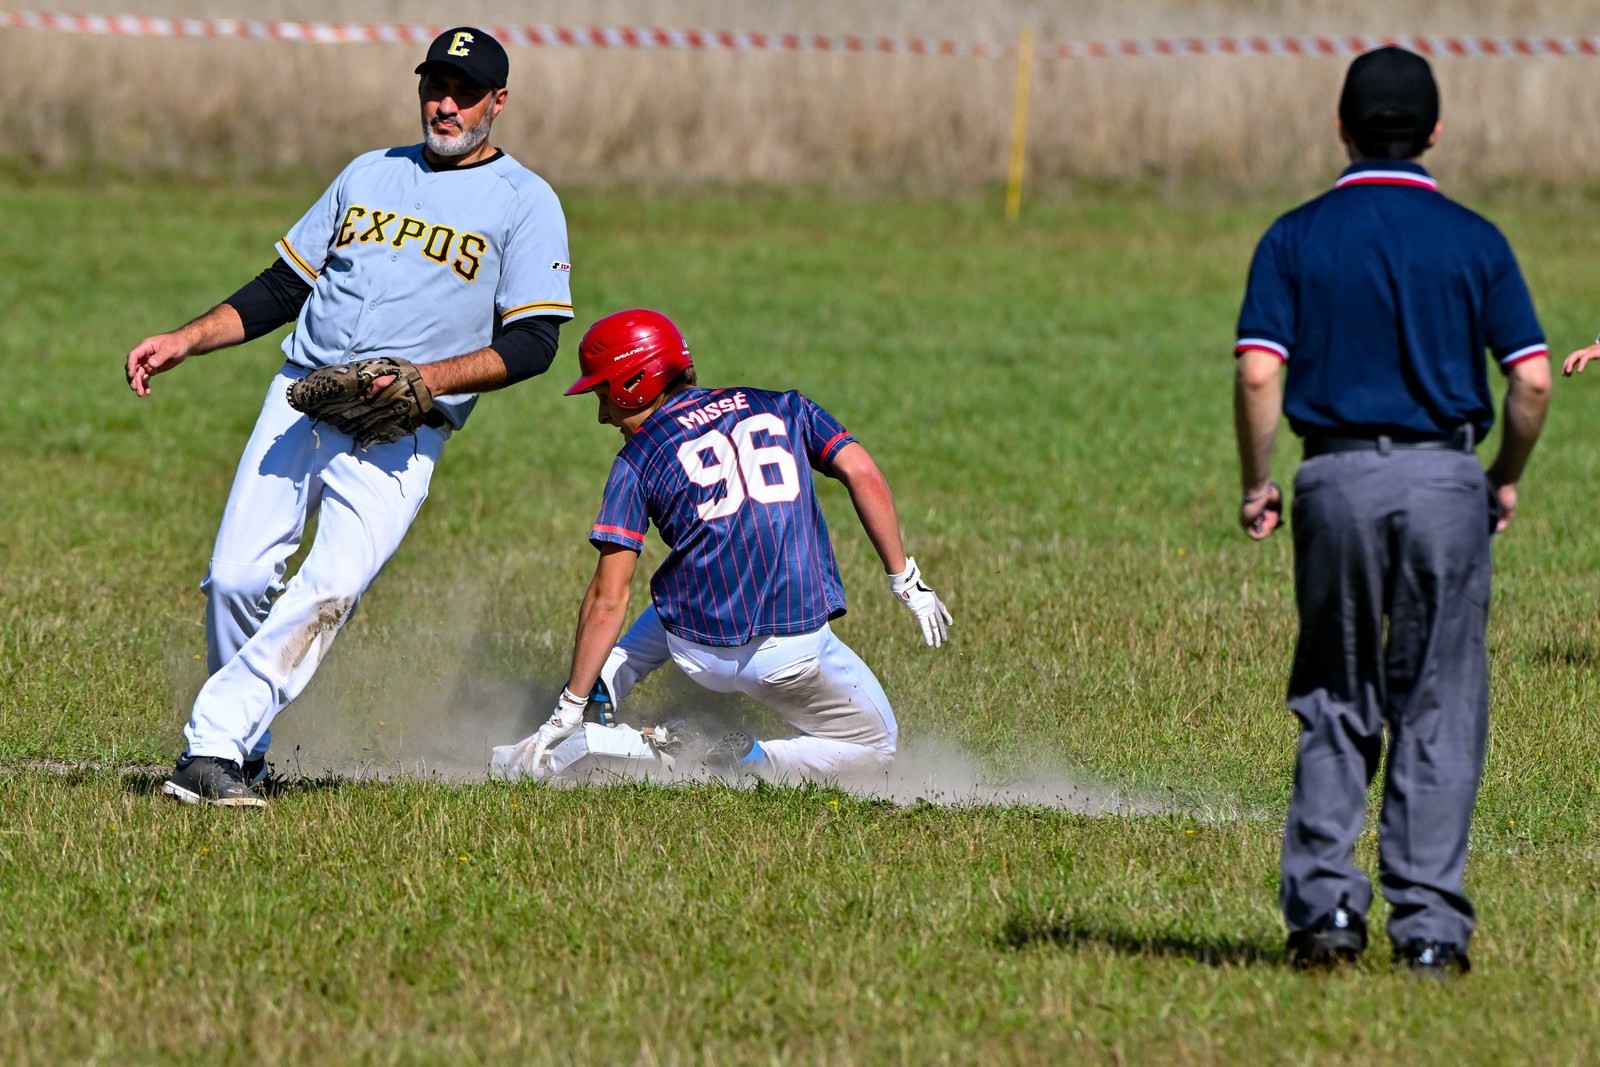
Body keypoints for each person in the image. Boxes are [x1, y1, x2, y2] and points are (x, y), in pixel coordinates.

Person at [125, 27, 574, 807]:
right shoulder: (369, 173)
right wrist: (186, 339)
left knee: (328, 588)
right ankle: (240, 751)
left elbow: (535, 342)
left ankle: (211, 746)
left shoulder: (525, 202)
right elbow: (282, 287)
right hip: (302, 393)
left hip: (401, 430)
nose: (446, 105)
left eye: (465, 93)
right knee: (234, 578)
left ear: (498, 102)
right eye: (435, 86)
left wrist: (426, 380)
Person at [1232, 47, 1551, 975]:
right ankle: (1430, 929)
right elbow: (1532, 379)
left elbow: (1259, 371)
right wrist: (1502, 474)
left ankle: (1327, 911)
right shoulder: (1476, 239)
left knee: (1336, 695)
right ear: (1435, 132)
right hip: (1446, 481)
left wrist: (1259, 480)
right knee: (1439, 701)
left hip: (1333, 480)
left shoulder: (1295, 235)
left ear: (1341, 128)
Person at [501, 308, 951, 784]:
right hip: (790, 653)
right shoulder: (786, 406)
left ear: (634, 383)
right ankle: (749, 759)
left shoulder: (635, 459)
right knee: (877, 746)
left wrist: (567, 706)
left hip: (697, 649)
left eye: (603, 395)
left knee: (685, 587)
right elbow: (861, 472)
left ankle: (604, 684)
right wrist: (905, 579)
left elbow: (608, 596)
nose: (602, 415)